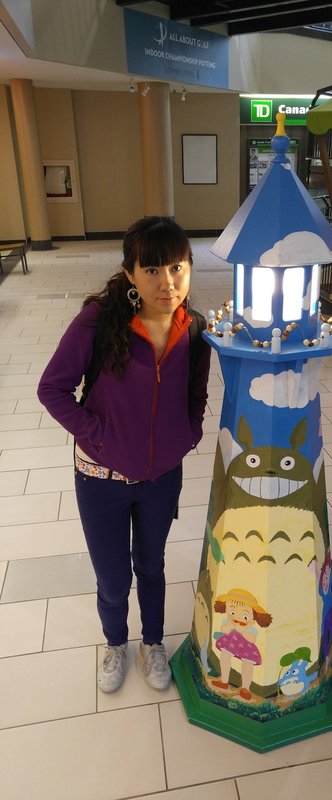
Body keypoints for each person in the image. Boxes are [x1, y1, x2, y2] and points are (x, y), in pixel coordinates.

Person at [37, 217, 210, 693]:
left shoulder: (194, 328)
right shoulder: (99, 320)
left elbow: (195, 394)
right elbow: (52, 389)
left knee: (151, 566)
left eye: (177, 267)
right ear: (130, 272)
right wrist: (99, 438)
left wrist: (186, 435)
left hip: (160, 479)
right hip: (100, 479)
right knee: (113, 578)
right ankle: (116, 643)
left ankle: (152, 643)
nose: (167, 282)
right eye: (152, 269)